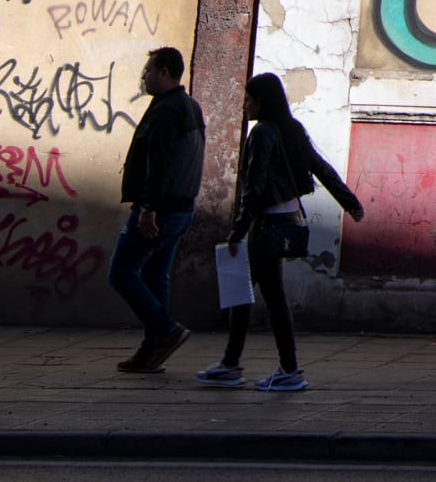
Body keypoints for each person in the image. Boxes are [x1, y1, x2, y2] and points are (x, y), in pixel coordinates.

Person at [196, 71, 363, 394]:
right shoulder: (292, 130)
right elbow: (321, 167)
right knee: (247, 293)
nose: (245, 105)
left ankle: (284, 369)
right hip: (285, 223)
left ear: (261, 102)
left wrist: (238, 230)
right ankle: (234, 363)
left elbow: (254, 188)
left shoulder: (262, 134)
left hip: (265, 226)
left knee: (262, 296)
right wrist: (350, 202)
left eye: (249, 99)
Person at [111, 46, 205, 372]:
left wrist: (148, 208)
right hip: (179, 207)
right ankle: (152, 350)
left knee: (121, 272)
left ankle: (166, 330)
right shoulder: (189, 106)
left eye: (148, 70)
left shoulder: (167, 109)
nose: (144, 76)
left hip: (160, 209)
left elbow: (160, 161)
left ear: (165, 72)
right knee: (155, 275)